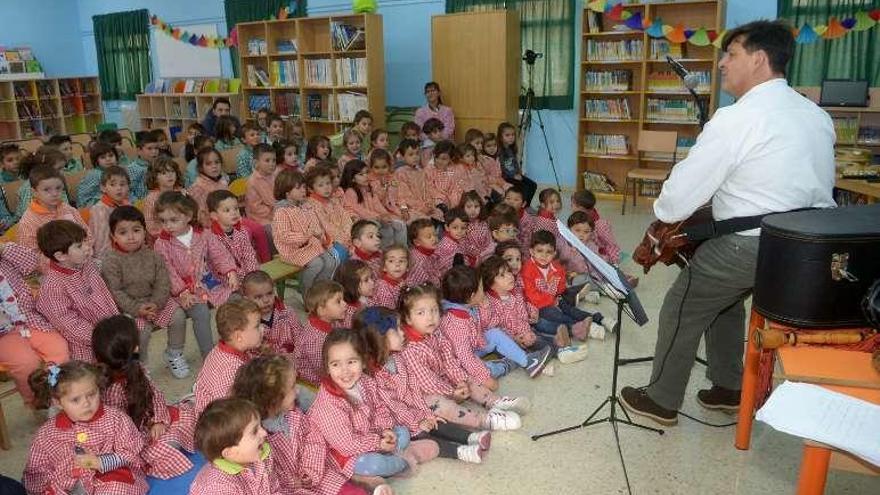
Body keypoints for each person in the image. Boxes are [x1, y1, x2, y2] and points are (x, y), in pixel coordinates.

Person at [620, 20, 837, 426]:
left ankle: (661, 399)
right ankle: (728, 387)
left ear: (758, 59)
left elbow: (677, 199)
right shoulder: (815, 114)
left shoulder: (738, 118)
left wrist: (663, 214)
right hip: (805, 251)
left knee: (681, 306)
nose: (722, 63)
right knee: (724, 300)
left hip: (751, 245)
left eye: (731, 54)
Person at [354, 307, 488, 464]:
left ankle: (470, 437)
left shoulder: (397, 357)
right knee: (422, 434)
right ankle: (459, 452)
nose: (403, 332)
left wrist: (425, 413)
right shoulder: (373, 376)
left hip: (409, 410)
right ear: (379, 339)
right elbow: (393, 407)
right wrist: (417, 422)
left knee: (437, 422)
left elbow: (413, 390)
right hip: (391, 421)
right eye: (397, 330)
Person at [306, 328, 431, 485]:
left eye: (351, 362)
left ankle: (392, 454)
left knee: (403, 431)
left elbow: (379, 408)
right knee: (375, 464)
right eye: (336, 364)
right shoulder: (328, 404)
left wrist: (385, 430)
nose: (345, 371)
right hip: (346, 454)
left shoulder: (366, 382)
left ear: (363, 361)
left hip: (370, 435)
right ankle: (405, 462)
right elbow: (346, 444)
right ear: (327, 367)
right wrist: (377, 442)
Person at [396, 283, 525, 430]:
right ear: (408, 319)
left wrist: (460, 381)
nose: (430, 317)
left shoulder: (436, 332)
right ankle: (484, 420)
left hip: (442, 379)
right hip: (423, 394)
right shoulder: (409, 347)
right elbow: (427, 382)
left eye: (434, 310)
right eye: (421, 313)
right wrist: (451, 393)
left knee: (467, 376)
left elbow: (449, 360)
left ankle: (495, 402)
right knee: (439, 405)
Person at [231, 355, 359, 495]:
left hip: (315, 474)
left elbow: (314, 440)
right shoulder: (257, 437)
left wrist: (310, 471)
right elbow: (267, 475)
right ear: (274, 401)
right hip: (287, 490)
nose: (297, 391)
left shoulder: (294, 415)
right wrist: (292, 482)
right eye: (292, 388)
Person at [23, 361, 149, 495]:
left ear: (99, 390)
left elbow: (131, 452)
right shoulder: (47, 433)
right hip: (68, 485)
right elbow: (36, 470)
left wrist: (100, 461)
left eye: (91, 394)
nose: (87, 403)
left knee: (117, 489)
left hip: (111, 477)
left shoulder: (116, 419)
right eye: (76, 400)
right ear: (57, 402)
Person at [92, 316, 195, 479]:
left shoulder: (136, 367)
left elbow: (154, 395)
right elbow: (116, 432)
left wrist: (157, 421)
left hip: (146, 421)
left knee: (189, 417)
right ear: (134, 349)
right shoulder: (105, 391)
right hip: (128, 440)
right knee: (165, 447)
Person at [101, 206, 186, 373]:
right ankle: (141, 367)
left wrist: (156, 303)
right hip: (130, 307)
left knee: (178, 316)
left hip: (154, 301)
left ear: (144, 231)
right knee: (141, 333)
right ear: (113, 237)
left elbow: (163, 283)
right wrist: (138, 309)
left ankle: (174, 353)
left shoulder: (153, 255)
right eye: (123, 232)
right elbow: (115, 292)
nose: (131, 237)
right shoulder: (110, 261)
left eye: (136, 230)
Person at [153, 191, 237, 359]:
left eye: (173, 220)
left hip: (209, 282)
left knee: (235, 300)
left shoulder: (204, 234)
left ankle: (235, 342)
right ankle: (208, 354)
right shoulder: (162, 243)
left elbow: (219, 254)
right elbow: (167, 272)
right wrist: (182, 292)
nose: (167, 225)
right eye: (163, 221)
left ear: (188, 216)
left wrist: (230, 271)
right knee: (201, 313)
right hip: (183, 292)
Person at [441, 265, 551, 380]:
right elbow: (465, 356)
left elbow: (487, 324)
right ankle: (506, 366)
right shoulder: (456, 323)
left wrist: (486, 308)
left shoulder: (469, 305)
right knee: (480, 371)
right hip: (460, 358)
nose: (484, 291)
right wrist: (485, 377)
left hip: (475, 343)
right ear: (472, 296)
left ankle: (528, 361)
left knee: (494, 333)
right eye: (482, 289)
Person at [35, 220, 118, 363]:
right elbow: (69, 323)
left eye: (85, 241)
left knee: (127, 367)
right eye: (80, 246)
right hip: (88, 346)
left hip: (111, 328)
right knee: (99, 379)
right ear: (61, 256)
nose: (87, 247)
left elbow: (103, 294)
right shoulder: (53, 288)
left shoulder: (86, 263)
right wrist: (101, 337)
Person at [0, 242, 69, 409]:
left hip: (28, 318)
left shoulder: (4, 257)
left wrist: (3, 248)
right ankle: (36, 401)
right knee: (26, 363)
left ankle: (53, 388)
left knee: (59, 348)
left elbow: (31, 261)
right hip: (4, 335)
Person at [189, 397, 278, 495]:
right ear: (230, 453)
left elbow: (273, 489)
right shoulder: (217, 488)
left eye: (260, 425)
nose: (264, 432)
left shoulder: (261, 454)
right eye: (254, 431)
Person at [272, 169, 339, 293]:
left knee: (330, 261)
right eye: (298, 188)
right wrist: (309, 234)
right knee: (317, 264)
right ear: (287, 192)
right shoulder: (282, 211)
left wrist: (322, 238)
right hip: (292, 250)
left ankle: (319, 290)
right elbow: (285, 236)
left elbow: (315, 225)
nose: (303, 190)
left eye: (304, 187)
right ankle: (306, 291)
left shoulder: (305, 206)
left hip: (310, 245)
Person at [193, 299, 263, 417]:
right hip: (222, 421)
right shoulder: (232, 370)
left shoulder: (220, 349)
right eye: (257, 326)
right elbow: (226, 411)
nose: (262, 329)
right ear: (238, 336)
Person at [341, 159, 407, 246]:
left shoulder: (368, 187)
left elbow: (377, 204)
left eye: (367, 173)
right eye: (361, 175)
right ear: (352, 178)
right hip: (364, 221)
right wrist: (378, 217)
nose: (366, 176)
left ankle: (401, 250)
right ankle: (387, 253)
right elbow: (359, 210)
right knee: (387, 229)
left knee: (400, 225)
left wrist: (385, 214)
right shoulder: (351, 192)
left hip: (376, 218)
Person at [296, 280, 347, 386]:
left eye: (343, 299)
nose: (345, 304)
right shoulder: (315, 339)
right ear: (321, 310)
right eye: (338, 301)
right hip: (315, 382)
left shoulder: (333, 321)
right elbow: (322, 371)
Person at [208, 190, 260, 280]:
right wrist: (244, 277)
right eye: (227, 210)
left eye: (236, 208)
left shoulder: (242, 231)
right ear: (214, 216)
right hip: (226, 279)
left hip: (246, 275)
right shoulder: (212, 237)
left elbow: (249, 254)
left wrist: (252, 274)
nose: (234, 213)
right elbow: (222, 264)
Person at [89, 165, 131, 259]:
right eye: (113, 184)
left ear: (128, 187)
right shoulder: (99, 210)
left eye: (122, 184)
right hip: (109, 258)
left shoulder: (127, 204)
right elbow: (101, 246)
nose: (119, 188)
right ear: (103, 188)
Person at [143, 156, 185, 241]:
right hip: (163, 239)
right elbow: (151, 226)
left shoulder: (183, 193)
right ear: (155, 178)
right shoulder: (151, 199)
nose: (169, 175)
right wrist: (171, 235)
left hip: (183, 234)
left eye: (172, 171)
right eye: (164, 173)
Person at [496, 122, 537, 207]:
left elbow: (515, 163)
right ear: (500, 137)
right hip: (506, 177)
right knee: (524, 188)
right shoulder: (500, 151)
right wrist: (513, 176)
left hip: (515, 175)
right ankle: (521, 207)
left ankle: (526, 206)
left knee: (533, 185)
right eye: (507, 135)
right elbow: (502, 167)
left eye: (513, 135)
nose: (511, 137)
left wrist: (518, 172)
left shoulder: (511, 148)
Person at [334, 259, 376, 328]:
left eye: (371, 277)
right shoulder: (349, 314)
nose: (372, 282)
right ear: (352, 285)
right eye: (366, 280)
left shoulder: (366, 297)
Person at [244, 143, 279, 225]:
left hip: (277, 211)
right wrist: (273, 213)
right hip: (260, 218)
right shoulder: (252, 182)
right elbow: (255, 207)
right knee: (276, 229)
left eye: (274, 160)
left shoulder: (275, 175)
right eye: (267, 160)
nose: (272, 164)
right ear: (256, 162)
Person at [78, 142, 120, 208]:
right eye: (103, 157)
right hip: (93, 206)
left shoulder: (117, 171)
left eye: (111, 155)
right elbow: (83, 200)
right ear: (96, 161)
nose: (108, 159)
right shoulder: (95, 174)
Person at [372, 245, 408, 309]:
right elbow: (387, 314)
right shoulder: (382, 287)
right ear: (384, 267)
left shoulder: (402, 281)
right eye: (391, 261)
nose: (397, 264)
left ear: (407, 267)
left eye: (401, 261)